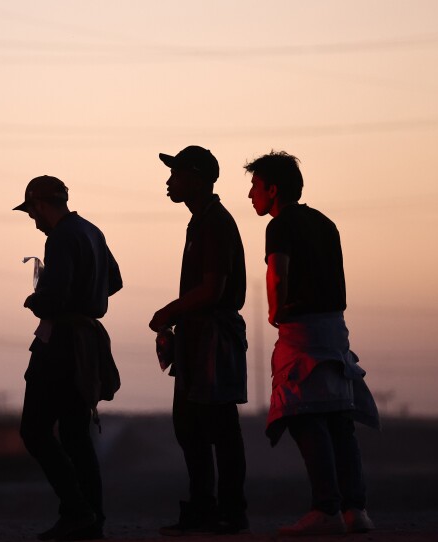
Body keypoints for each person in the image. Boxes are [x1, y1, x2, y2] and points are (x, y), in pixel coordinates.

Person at [245, 151, 379, 537]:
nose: (251, 195)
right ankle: (356, 509)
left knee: (305, 415)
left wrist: (275, 310)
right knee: (338, 419)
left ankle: (326, 508)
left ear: (272, 189)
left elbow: (277, 272)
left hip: (302, 331)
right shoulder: (325, 223)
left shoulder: (281, 224)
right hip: (335, 330)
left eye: (255, 186)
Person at [14, 175, 122, 541]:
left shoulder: (59, 237)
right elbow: (115, 281)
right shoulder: (92, 231)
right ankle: (93, 519)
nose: (34, 220)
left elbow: (54, 298)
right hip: (87, 344)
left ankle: (75, 510)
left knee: (35, 431)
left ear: (41, 204)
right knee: (77, 435)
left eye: (32, 212)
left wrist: (35, 300)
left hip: (60, 343)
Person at [149, 146, 249, 536]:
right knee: (192, 426)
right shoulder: (202, 221)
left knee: (218, 427)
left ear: (194, 176)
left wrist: (168, 313)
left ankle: (229, 512)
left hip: (212, 337)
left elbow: (212, 289)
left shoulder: (214, 223)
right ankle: (207, 509)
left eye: (175, 173)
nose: (169, 181)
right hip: (199, 335)